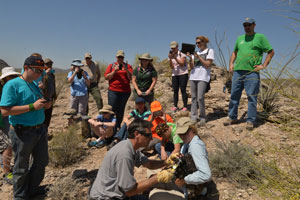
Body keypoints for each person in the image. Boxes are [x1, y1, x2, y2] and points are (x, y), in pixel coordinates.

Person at [0, 56, 52, 199]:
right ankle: (20, 196)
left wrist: (45, 105)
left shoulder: (34, 84)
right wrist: (32, 107)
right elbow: (5, 110)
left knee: (41, 162)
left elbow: (37, 104)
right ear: (26, 68)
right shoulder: (12, 85)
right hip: (22, 132)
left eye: (42, 71)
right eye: (37, 70)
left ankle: (32, 189)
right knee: (21, 167)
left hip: (39, 130)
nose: (39, 74)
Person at [89, 118, 168, 200]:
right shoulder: (125, 154)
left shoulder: (130, 147)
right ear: (137, 134)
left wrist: (167, 162)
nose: (151, 139)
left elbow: (149, 164)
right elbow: (130, 191)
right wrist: (157, 178)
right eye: (148, 135)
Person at [224, 18, 274, 130]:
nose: (247, 27)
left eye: (249, 25)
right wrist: (231, 64)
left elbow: (271, 51)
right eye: (245, 25)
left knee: (252, 97)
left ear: (254, 25)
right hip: (238, 71)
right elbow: (235, 52)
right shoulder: (240, 38)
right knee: (234, 95)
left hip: (252, 72)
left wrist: (264, 65)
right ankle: (232, 117)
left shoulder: (260, 37)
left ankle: (250, 120)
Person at [174, 117, 212, 199]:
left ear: (192, 130)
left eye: (184, 133)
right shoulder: (187, 143)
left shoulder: (195, 146)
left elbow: (206, 175)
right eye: (180, 134)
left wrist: (184, 181)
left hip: (194, 184)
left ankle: (199, 192)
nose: (182, 136)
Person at [187, 36, 214, 126]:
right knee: (193, 98)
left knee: (200, 98)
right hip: (193, 76)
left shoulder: (209, 51)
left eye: (199, 42)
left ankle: (203, 117)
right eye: (196, 43)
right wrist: (191, 58)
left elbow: (208, 64)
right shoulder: (196, 52)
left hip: (203, 76)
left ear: (204, 42)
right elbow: (192, 67)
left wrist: (199, 57)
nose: (198, 44)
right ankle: (193, 116)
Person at [0, 67, 21, 185]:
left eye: (14, 77)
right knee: (8, 146)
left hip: (9, 119)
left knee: (10, 144)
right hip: (3, 120)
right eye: (11, 77)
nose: (13, 79)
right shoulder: (3, 89)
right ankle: (7, 173)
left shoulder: (11, 88)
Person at [104, 50, 133, 129]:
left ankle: (117, 125)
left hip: (125, 91)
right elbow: (106, 77)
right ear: (116, 57)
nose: (120, 59)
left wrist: (126, 69)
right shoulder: (111, 66)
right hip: (113, 90)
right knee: (112, 109)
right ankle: (110, 127)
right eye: (118, 57)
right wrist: (114, 71)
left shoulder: (128, 66)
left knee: (121, 109)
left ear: (123, 58)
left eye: (121, 57)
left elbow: (130, 78)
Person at [168, 41, 188, 112]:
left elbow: (182, 64)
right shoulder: (171, 55)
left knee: (183, 90)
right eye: (172, 48)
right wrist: (170, 58)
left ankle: (185, 106)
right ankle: (175, 106)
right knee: (175, 90)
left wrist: (175, 58)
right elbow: (171, 66)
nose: (173, 49)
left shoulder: (182, 54)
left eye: (174, 48)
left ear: (177, 47)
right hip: (175, 74)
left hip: (183, 74)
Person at [42, 58, 57, 128]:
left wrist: (54, 94)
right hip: (44, 99)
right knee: (43, 118)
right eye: (47, 64)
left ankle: (45, 132)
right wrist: (45, 74)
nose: (49, 66)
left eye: (50, 64)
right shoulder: (41, 74)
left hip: (50, 99)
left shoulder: (52, 75)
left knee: (48, 117)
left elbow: (53, 85)